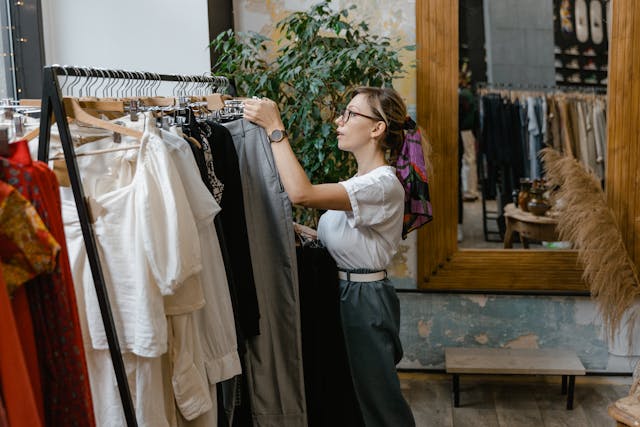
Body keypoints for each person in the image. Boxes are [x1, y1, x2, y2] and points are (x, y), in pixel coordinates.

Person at [243, 86, 416, 427]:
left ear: (376, 128)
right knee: (348, 397)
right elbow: (344, 239)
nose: (339, 120)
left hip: (362, 299)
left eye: (351, 113)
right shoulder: (359, 181)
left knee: (378, 401)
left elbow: (301, 194)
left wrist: (275, 129)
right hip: (343, 293)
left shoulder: (381, 184)